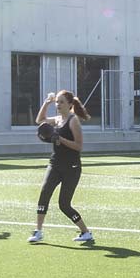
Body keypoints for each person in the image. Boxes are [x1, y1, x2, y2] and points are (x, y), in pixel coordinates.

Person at [30, 90, 94, 246]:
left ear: (70, 105)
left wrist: (60, 139)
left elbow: (79, 146)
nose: (58, 105)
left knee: (64, 204)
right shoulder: (57, 119)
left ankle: (86, 232)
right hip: (55, 164)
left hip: (72, 167)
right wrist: (47, 102)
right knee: (44, 194)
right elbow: (40, 120)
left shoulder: (73, 121)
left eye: (61, 102)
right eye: (57, 102)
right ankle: (38, 231)